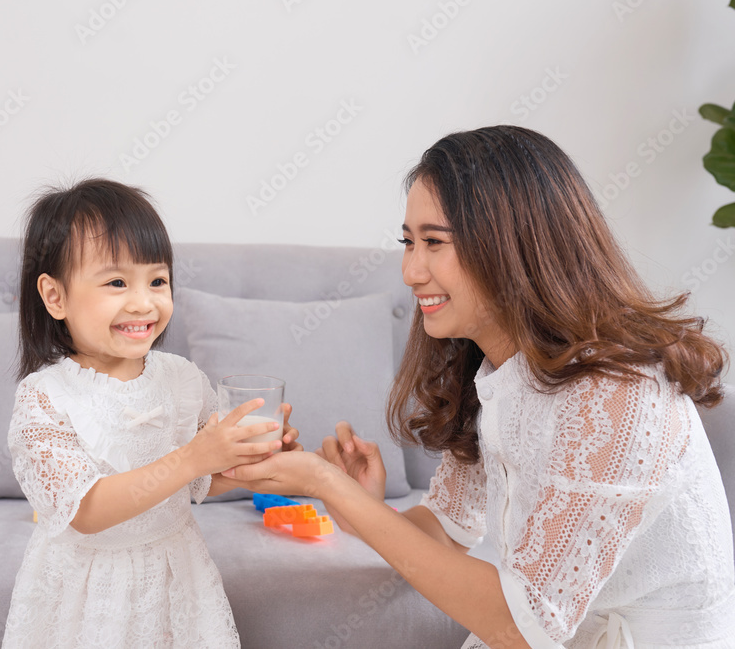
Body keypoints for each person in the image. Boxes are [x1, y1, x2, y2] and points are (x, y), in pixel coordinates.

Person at [223, 126, 735, 648]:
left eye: (433, 243)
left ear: (511, 245)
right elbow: (444, 533)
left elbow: (523, 626)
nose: (410, 270)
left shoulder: (617, 396)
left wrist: (324, 484)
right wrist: (358, 502)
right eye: (408, 242)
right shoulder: (500, 374)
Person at [1, 178, 299, 648]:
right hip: (89, 586)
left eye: (157, 281)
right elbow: (86, 511)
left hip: (175, 570)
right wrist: (195, 458)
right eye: (117, 282)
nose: (144, 302)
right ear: (55, 296)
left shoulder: (180, 379)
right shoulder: (45, 397)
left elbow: (200, 479)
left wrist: (241, 461)